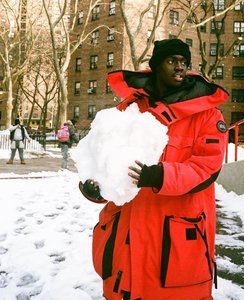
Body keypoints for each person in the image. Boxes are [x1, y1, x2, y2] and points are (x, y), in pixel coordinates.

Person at [79, 38, 229, 300]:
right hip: (126, 231)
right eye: (172, 61)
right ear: (156, 66)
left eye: (184, 62)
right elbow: (106, 159)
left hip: (174, 236)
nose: (179, 67)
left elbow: (207, 167)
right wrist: (98, 187)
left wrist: (160, 176)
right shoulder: (130, 108)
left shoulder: (208, 114)